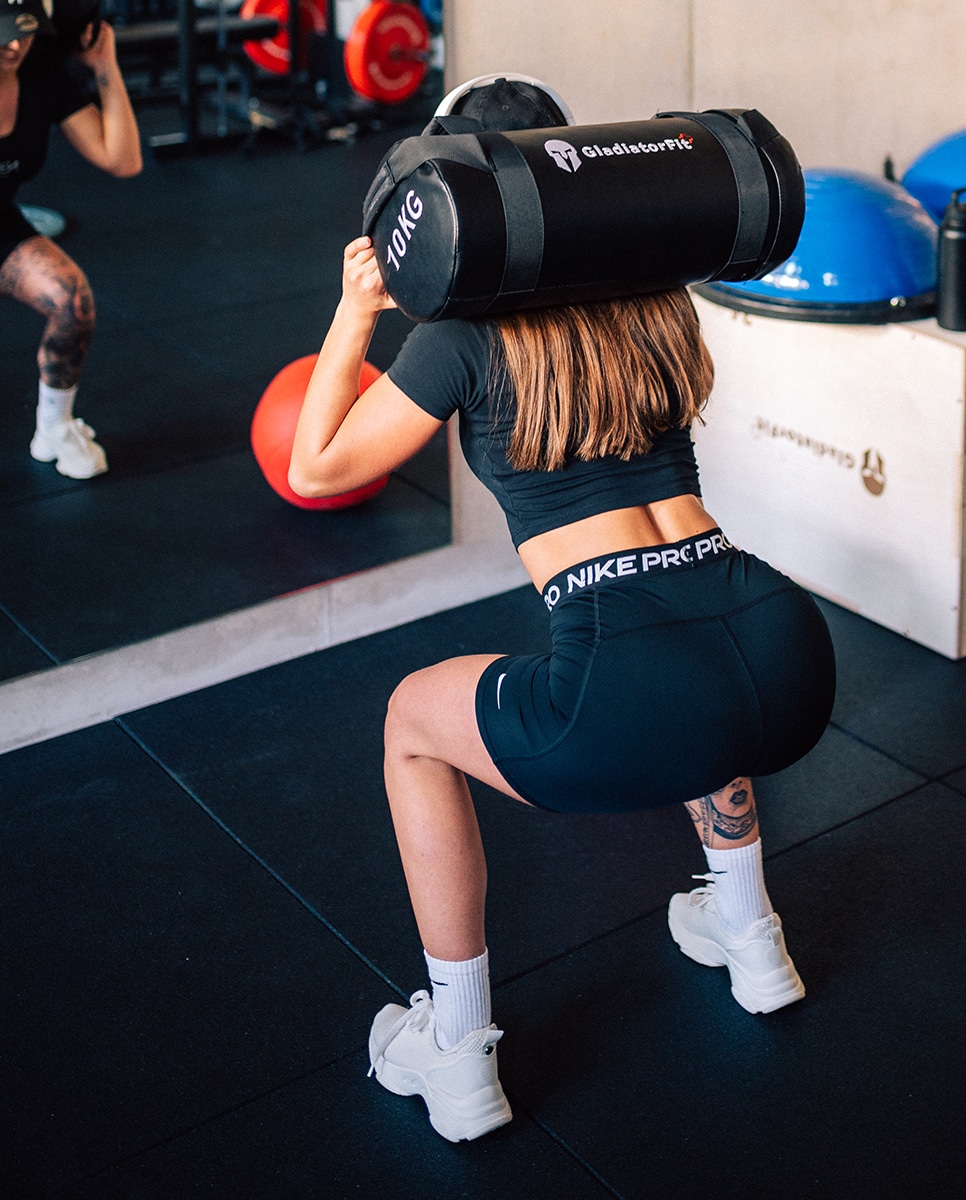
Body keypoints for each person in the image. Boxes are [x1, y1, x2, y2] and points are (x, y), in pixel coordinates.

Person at [288, 82, 836, 1144]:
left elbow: (315, 469)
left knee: (411, 724)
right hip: (781, 641)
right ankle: (749, 934)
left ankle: (454, 1050)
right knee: (686, 662)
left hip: (631, 686)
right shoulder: (659, 296)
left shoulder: (461, 336)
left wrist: (356, 310)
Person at [0, 1, 142, 480]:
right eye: (2, 33)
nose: (15, 45)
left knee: (71, 300)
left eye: (23, 31)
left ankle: (54, 428)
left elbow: (122, 160)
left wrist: (107, 66)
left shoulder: (42, 79)